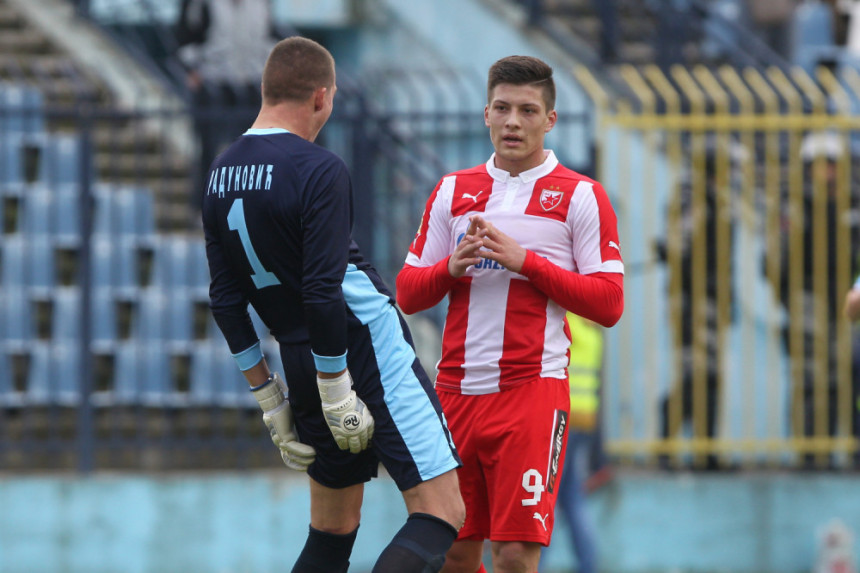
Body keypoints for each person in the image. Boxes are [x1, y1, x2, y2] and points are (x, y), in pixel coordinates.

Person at [202, 36, 464, 573]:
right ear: (321, 98)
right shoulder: (319, 167)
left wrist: (270, 401)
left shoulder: (220, 172)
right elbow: (325, 288)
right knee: (441, 513)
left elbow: (226, 301)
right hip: (359, 346)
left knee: (332, 527)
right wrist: (336, 387)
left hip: (299, 352)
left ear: (265, 89)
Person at [396, 55, 625, 573]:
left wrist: (528, 263)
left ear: (550, 120)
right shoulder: (453, 190)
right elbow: (408, 293)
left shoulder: (581, 197)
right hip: (455, 393)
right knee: (455, 550)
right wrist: (450, 269)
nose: (513, 122)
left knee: (516, 554)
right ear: (485, 114)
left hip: (531, 393)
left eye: (527, 110)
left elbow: (609, 303)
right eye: (502, 108)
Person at [766, 130, 859, 468]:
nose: (826, 171)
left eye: (831, 164)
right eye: (819, 164)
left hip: (845, 298)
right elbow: (776, 258)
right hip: (806, 294)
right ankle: (809, 453)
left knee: (841, 376)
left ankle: (835, 450)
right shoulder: (793, 204)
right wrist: (788, 297)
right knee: (809, 375)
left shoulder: (852, 203)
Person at [655, 134, 739, 471]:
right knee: (696, 375)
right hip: (691, 300)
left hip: (712, 299)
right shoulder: (693, 197)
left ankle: (706, 451)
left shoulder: (715, 199)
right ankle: (669, 445)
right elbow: (679, 245)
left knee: (710, 376)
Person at [176, 0, 279, 212]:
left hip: (251, 81)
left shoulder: (261, 4)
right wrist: (191, 70)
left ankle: (253, 207)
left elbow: (268, 35)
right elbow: (186, 35)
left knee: (256, 149)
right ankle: (205, 207)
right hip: (212, 81)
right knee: (210, 147)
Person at [540, 312, 604, 573]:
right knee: (569, 495)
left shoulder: (570, 320)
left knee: (547, 494)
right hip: (583, 417)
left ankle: (535, 563)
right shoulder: (592, 326)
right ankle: (587, 564)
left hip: (562, 416)